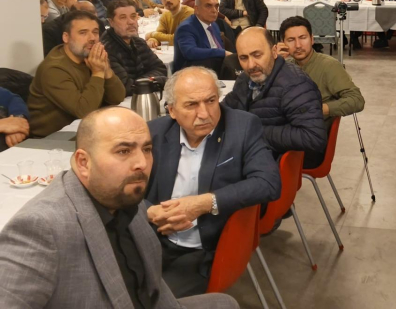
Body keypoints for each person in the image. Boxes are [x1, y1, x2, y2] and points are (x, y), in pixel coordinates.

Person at [0, 106, 239, 309]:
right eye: (123, 151)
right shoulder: (40, 227)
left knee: (224, 303)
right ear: (83, 162)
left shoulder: (124, 197)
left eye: (146, 149)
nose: (142, 163)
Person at [145, 68, 281, 296]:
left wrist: (205, 203)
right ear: (172, 110)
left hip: (204, 251)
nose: (204, 113)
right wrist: (150, 213)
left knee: (154, 300)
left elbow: (268, 182)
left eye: (211, 101)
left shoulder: (242, 127)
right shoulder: (154, 132)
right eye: (191, 105)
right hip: (153, 239)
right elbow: (121, 190)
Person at [223, 28, 327, 168]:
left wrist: (253, 131)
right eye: (243, 58)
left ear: (274, 52)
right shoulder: (245, 79)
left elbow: (314, 137)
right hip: (246, 154)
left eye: (257, 55)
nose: (251, 65)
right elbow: (226, 109)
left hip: (272, 165)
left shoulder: (295, 85)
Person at [28, 10, 126, 138]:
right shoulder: (53, 69)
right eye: (83, 33)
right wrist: (97, 72)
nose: (92, 38)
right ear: (66, 37)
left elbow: (117, 98)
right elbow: (84, 111)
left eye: (95, 32)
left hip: (84, 129)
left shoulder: (89, 57)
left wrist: (106, 70)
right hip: (51, 139)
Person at [279, 16, 365, 130]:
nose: (298, 45)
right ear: (283, 44)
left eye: (303, 38)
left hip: (310, 132)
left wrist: (318, 109)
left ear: (312, 39)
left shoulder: (329, 66)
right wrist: (272, 62)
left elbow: (357, 100)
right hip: (285, 126)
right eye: (291, 40)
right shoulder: (284, 66)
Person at [101, 0, 168, 96]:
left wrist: (141, 83)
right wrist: (157, 81)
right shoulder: (106, 49)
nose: (131, 22)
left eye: (133, 16)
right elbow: (125, 87)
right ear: (111, 22)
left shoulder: (138, 42)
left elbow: (161, 69)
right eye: (123, 18)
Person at [174, 0, 232, 74]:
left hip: (215, 69)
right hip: (191, 73)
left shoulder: (214, 24)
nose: (214, 10)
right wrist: (222, 52)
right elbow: (190, 52)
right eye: (208, 6)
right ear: (197, 9)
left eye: (216, 6)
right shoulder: (186, 27)